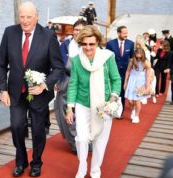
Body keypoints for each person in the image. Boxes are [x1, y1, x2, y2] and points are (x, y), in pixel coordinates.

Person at [0, 2, 64, 177]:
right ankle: (21, 160)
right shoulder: (10, 33)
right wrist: (2, 90)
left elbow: (58, 68)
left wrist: (44, 85)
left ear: (37, 16)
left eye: (29, 17)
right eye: (22, 17)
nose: (25, 21)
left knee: (38, 129)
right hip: (15, 92)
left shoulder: (48, 36)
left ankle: (36, 162)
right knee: (16, 126)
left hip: (39, 93)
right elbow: (1, 64)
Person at [65, 25, 121, 178]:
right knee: (81, 139)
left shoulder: (108, 57)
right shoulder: (76, 60)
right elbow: (73, 84)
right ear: (80, 43)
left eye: (92, 44)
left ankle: (95, 171)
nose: (88, 48)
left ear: (98, 43)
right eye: (84, 44)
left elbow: (116, 79)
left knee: (100, 142)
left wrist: (113, 98)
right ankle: (82, 168)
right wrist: (70, 108)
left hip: (103, 105)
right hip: (82, 104)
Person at [54, 19, 86, 152]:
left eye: (81, 30)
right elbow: (60, 64)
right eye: (76, 30)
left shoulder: (89, 44)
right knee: (65, 111)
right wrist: (57, 81)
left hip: (84, 84)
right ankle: (73, 143)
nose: (78, 32)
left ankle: (84, 140)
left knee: (82, 113)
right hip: (66, 81)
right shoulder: (66, 44)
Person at [106, 26, 134, 118]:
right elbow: (107, 58)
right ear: (118, 33)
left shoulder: (130, 44)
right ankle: (110, 108)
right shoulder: (110, 44)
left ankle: (120, 112)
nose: (126, 35)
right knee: (112, 90)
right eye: (124, 33)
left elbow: (131, 59)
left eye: (127, 33)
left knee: (122, 91)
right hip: (113, 71)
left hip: (125, 72)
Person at [124, 48, 152, 123]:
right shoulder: (132, 61)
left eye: (140, 57)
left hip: (141, 81)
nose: (138, 58)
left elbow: (148, 75)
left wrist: (148, 85)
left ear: (143, 55)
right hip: (132, 80)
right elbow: (128, 71)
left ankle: (137, 116)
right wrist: (125, 82)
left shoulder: (146, 62)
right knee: (130, 100)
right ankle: (133, 109)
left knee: (137, 100)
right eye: (137, 57)